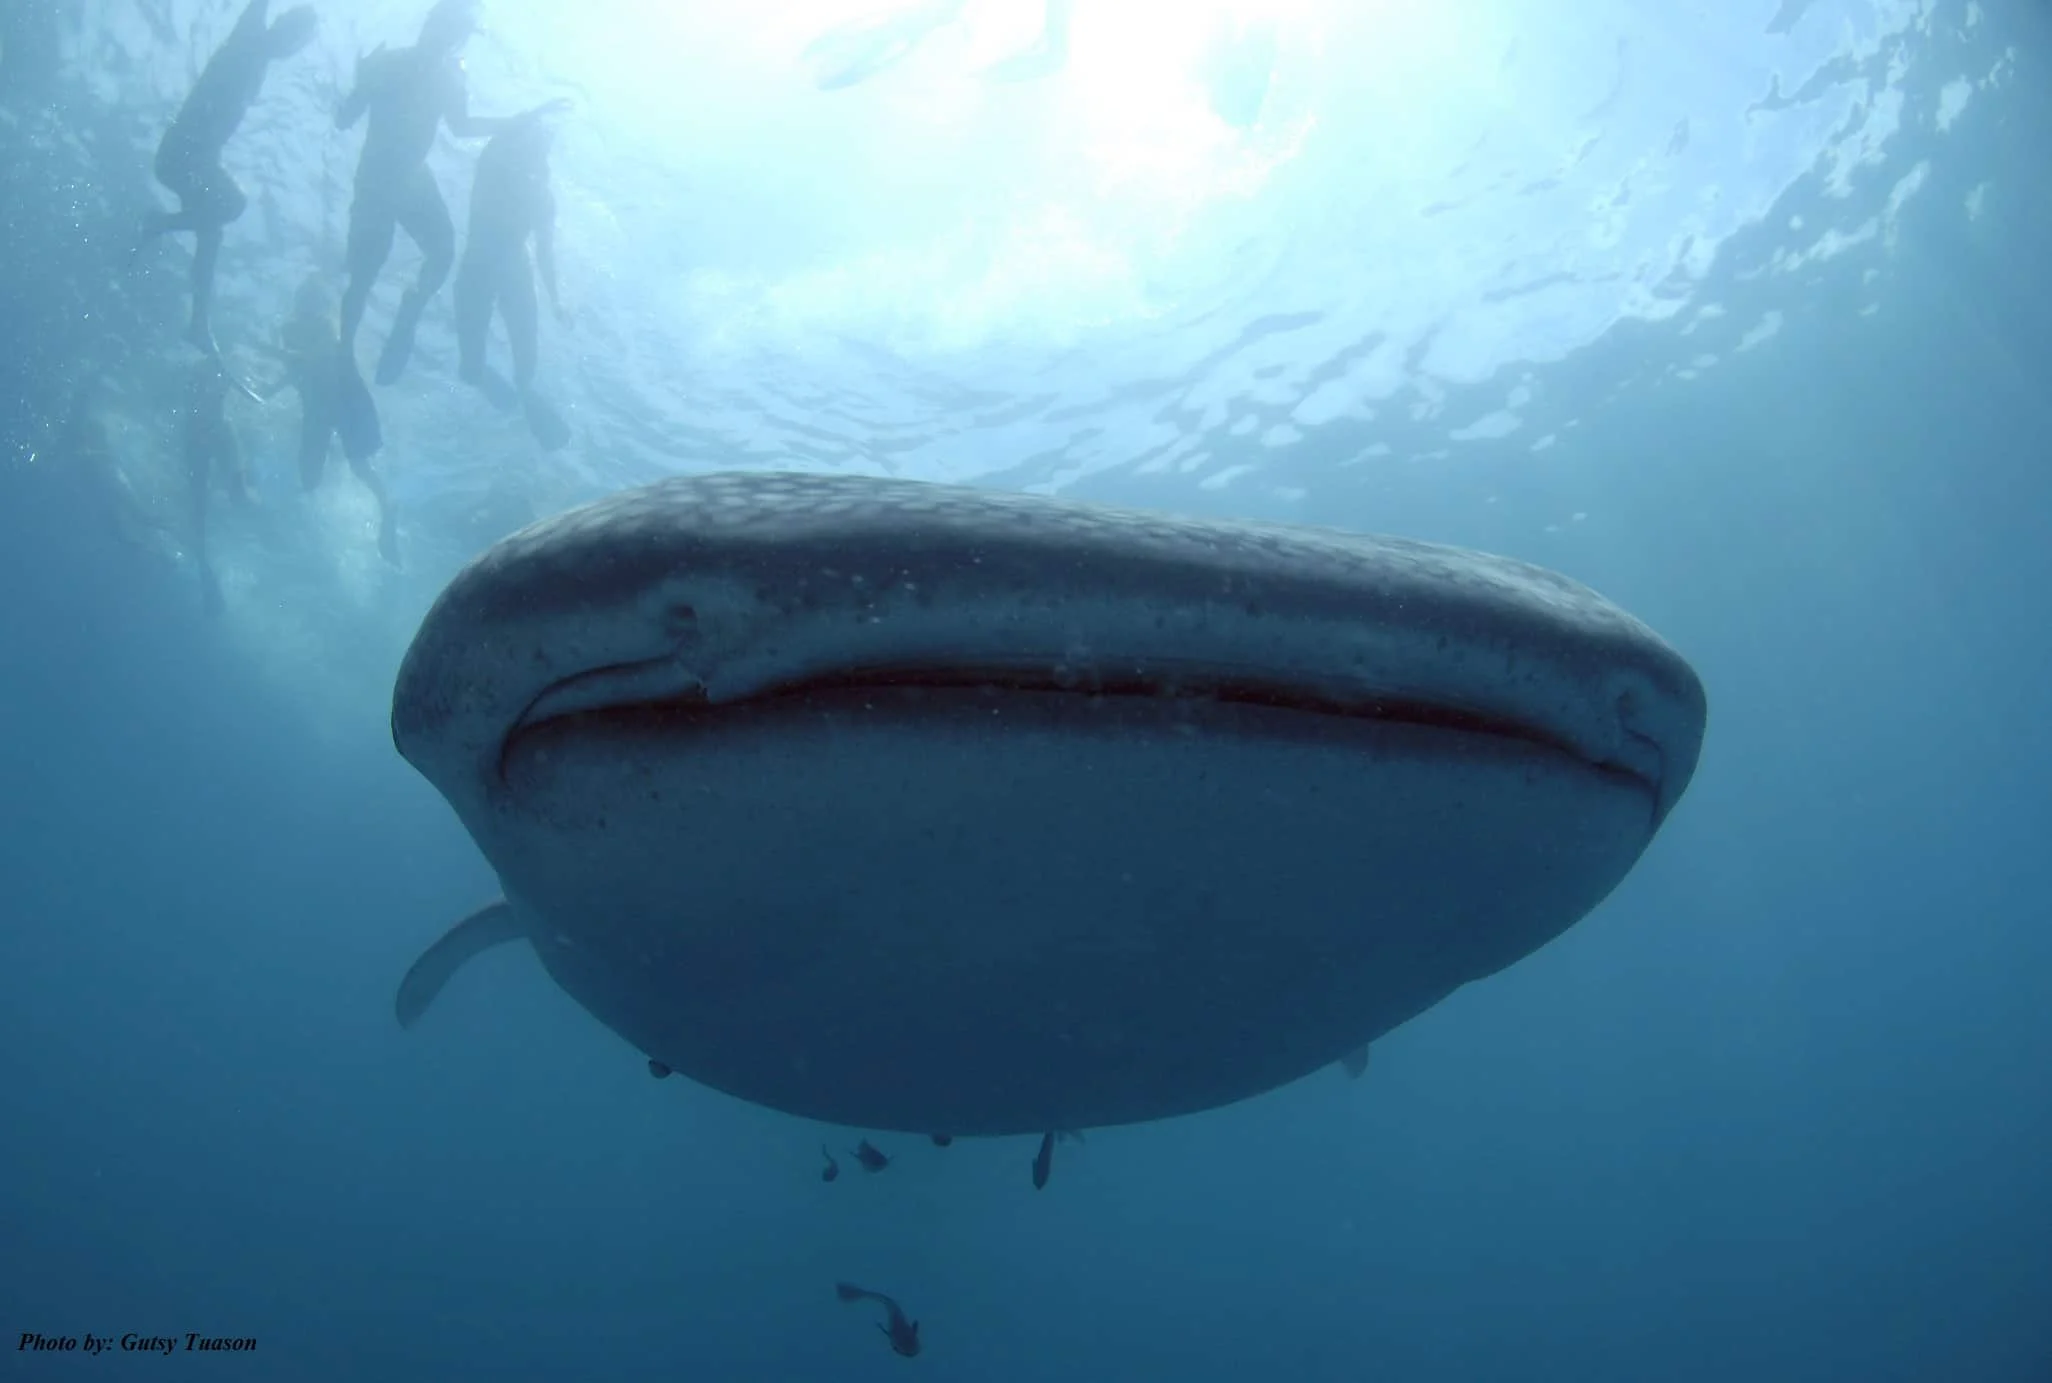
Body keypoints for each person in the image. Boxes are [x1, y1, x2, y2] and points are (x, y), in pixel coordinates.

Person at [330, 0, 565, 460]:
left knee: (441, 253)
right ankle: (344, 355)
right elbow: (344, 119)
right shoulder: (392, 63)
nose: (446, 40)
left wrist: (521, 118)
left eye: (455, 34)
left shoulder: (446, 77)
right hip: (378, 180)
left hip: (413, 178)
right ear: (431, 25)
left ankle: (411, 308)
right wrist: (360, 83)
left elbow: (461, 127)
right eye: (446, 28)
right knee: (365, 274)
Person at [136, 0, 319, 352]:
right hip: (181, 154)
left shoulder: (261, 61)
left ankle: (198, 324)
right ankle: (157, 224)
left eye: (299, 44)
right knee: (232, 204)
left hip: (196, 160)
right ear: (280, 23)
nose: (291, 46)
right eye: (293, 34)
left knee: (212, 231)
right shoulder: (249, 34)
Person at [453, 110, 572, 451]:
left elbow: (545, 253)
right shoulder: (493, 165)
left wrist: (556, 300)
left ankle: (525, 395)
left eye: (543, 147)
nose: (537, 153)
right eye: (533, 142)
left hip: (513, 269)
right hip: (478, 265)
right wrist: (536, 111)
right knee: (470, 368)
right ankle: (509, 390)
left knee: (525, 363)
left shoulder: (542, 197)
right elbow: (493, 129)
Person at [277, 275, 400, 563]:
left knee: (359, 466)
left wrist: (267, 350)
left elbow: (314, 357)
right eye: (304, 301)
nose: (307, 308)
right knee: (311, 479)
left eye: (312, 302)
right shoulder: (291, 331)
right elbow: (295, 371)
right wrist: (266, 387)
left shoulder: (327, 329)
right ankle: (338, 460)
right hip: (321, 408)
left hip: (347, 403)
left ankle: (387, 508)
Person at [179, 353, 257, 616]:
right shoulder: (216, 367)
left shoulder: (221, 366)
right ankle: (205, 571)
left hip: (214, 432)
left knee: (233, 498)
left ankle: (205, 567)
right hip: (206, 433)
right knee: (201, 505)